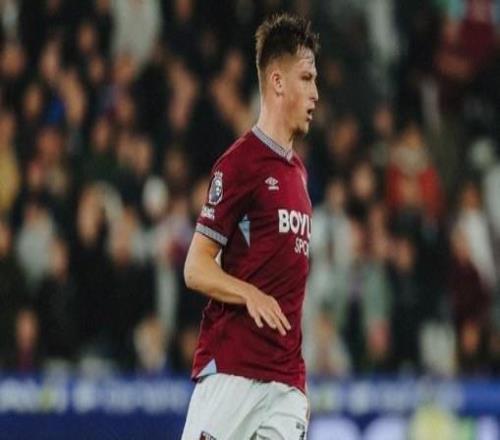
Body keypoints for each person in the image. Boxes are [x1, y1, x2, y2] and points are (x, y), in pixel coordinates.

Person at [181, 12, 319, 440]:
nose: (315, 93)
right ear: (277, 82)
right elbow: (195, 267)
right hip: (233, 373)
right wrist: (249, 293)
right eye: (306, 78)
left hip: (286, 384)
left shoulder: (299, 174)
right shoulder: (239, 164)